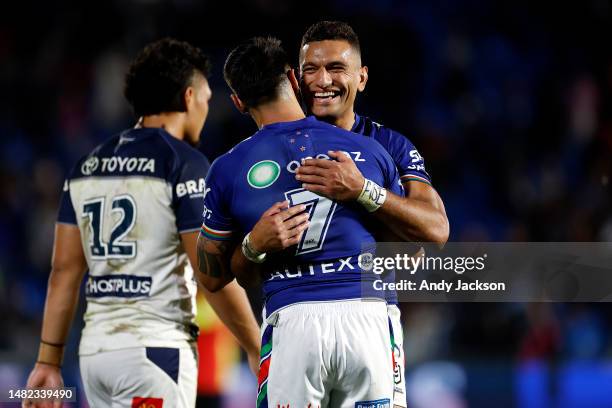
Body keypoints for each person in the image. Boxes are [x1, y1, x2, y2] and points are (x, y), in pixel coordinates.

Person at [23, 38, 260, 408]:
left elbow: (64, 271)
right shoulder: (183, 163)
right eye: (206, 98)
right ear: (187, 97)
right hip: (155, 353)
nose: (205, 108)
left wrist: (47, 361)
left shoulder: (85, 166)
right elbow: (208, 272)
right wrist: (254, 344)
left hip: (96, 357)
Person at [235, 21, 450, 408]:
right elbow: (236, 265)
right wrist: (254, 246)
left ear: (361, 78)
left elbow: (435, 229)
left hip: (368, 319)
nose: (322, 81)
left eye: (336, 68)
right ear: (295, 80)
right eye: (311, 70)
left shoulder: (389, 145)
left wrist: (363, 191)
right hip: (295, 322)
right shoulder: (262, 152)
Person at [198, 36, 403, 408]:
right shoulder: (371, 151)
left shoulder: (227, 170)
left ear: (238, 102)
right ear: (293, 79)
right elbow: (415, 244)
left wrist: (252, 247)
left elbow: (211, 276)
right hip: (368, 319)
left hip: (293, 322)